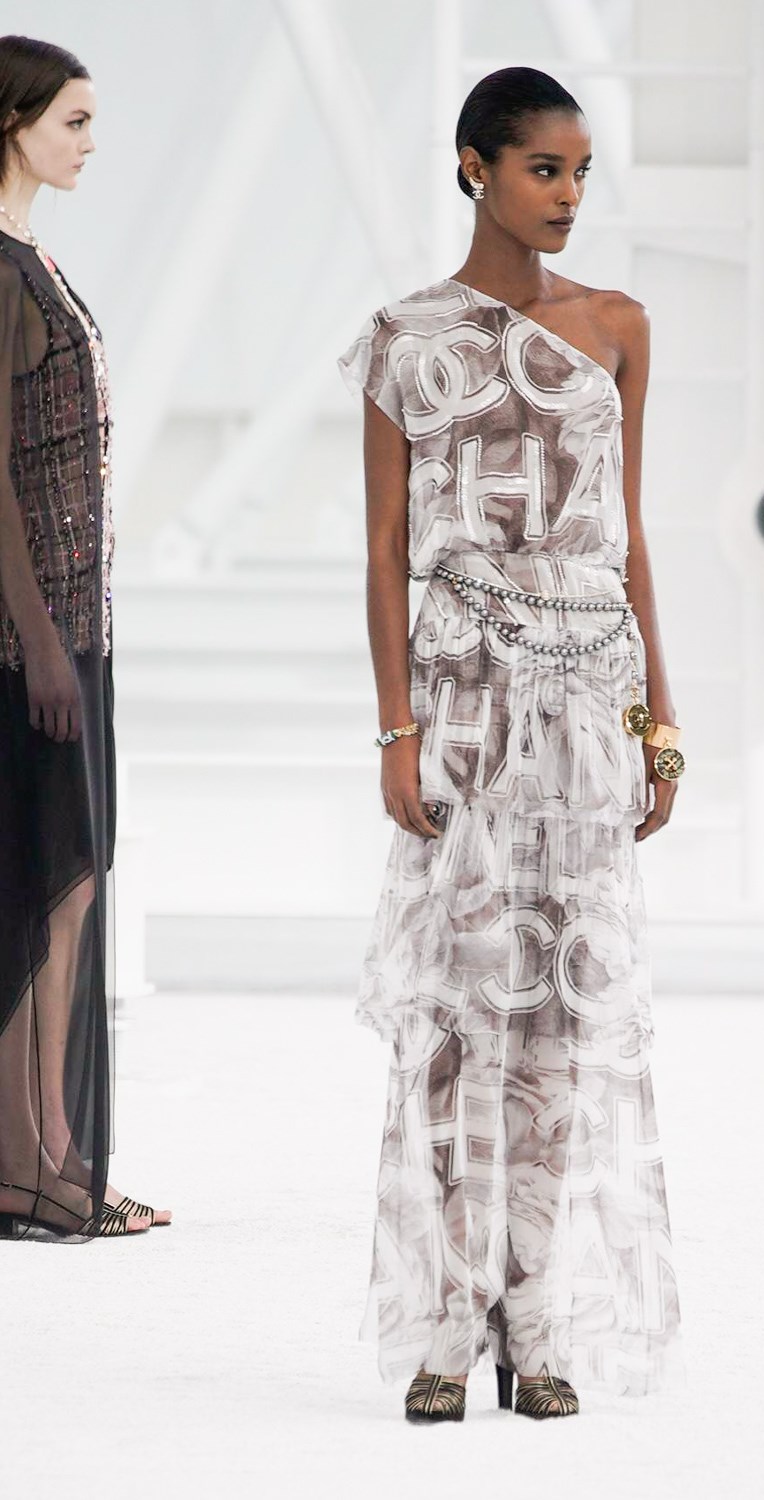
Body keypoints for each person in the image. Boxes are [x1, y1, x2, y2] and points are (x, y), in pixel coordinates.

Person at [339, 66, 682, 1421]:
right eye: (545, 168)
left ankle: (536, 1324)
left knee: (561, 1016)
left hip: (588, 698)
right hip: (466, 697)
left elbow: (629, 534)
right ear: (473, 167)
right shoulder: (405, 338)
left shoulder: (617, 327)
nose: (569, 194)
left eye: (582, 171)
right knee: (453, 1014)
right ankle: (443, 1318)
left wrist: (660, 721)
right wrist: (397, 729)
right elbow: (383, 550)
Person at [0, 34, 169, 1239]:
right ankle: (32, 1164)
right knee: (44, 881)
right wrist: (40, 640)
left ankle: (53, 1153)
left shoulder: (33, 259)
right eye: (72, 121)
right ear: (9, 124)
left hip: (71, 622)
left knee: (71, 881)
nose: (91, 144)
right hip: (30, 640)